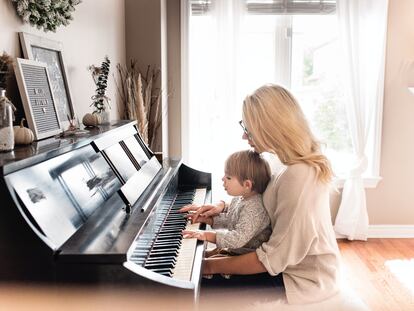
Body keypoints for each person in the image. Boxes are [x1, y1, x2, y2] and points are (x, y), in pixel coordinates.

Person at [180, 84, 340, 305]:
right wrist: (221, 208)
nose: (244, 135)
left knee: (193, 290)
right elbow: (260, 204)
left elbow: (271, 259)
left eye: (249, 128)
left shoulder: (299, 175)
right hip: (278, 263)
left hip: (298, 278)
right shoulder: (278, 160)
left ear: (271, 127)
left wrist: (206, 265)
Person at [182, 150, 272, 260]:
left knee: (198, 263)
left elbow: (237, 239)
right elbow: (232, 220)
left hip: (244, 257)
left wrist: (205, 235)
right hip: (236, 250)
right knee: (194, 257)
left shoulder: (255, 208)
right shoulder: (240, 198)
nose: (223, 179)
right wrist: (208, 220)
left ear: (247, 184)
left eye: (228, 177)